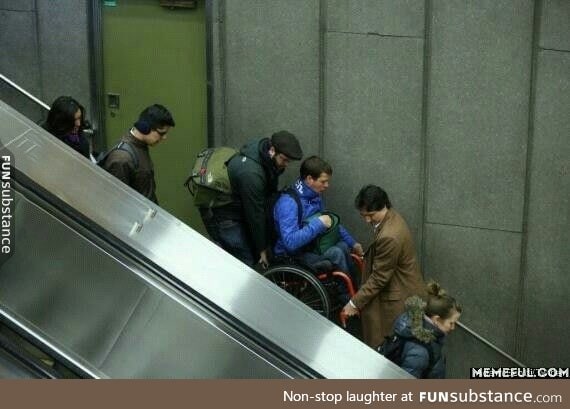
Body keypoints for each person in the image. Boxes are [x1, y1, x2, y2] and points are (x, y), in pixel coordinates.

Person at [199, 131, 303, 268]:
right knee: (245, 263)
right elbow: (255, 215)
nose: (286, 164)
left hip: (238, 206)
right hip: (223, 216)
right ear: (272, 151)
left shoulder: (262, 149)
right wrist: (262, 250)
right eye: (284, 160)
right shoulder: (252, 175)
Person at [341, 184, 426, 348]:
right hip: (402, 292)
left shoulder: (389, 236)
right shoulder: (392, 219)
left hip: (395, 302)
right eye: (363, 215)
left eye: (370, 215)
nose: (366, 220)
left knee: (387, 352)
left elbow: (379, 278)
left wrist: (354, 303)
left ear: (383, 206)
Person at [273, 155, 364, 279]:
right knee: (336, 253)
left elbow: (330, 222)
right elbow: (290, 242)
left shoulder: (315, 195)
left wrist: (353, 243)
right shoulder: (288, 203)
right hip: (291, 256)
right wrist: (318, 224)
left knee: (343, 246)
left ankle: (358, 291)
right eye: (323, 181)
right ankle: (347, 297)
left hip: (311, 247)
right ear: (310, 179)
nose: (327, 185)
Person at [100, 104, 175, 204]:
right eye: (161, 133)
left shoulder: (140, 146)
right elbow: (117, 203)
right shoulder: (121, 159)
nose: (164, 137)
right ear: (145, 128)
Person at [392, 281, 462, 378]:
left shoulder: (424, 332)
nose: (453, 327)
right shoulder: (420, 352)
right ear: (436, 319)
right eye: (451, 323)